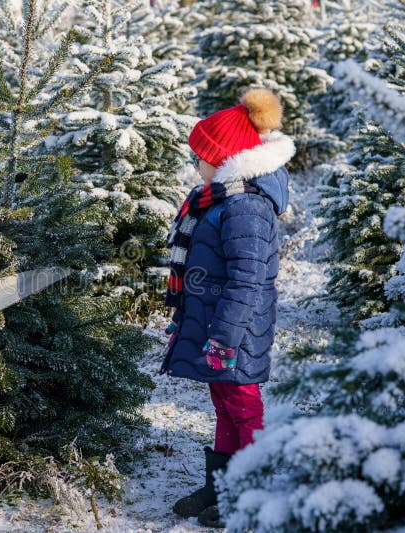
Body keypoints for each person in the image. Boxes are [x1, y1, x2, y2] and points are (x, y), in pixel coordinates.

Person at [161, 89, 294, 527]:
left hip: (234, 328)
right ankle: (222, 484)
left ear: (223, 159)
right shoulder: (219, 201)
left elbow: (249, 280)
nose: (194, 164)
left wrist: (225, 335)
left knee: (242, 402)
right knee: (222, 399)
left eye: (200, 156)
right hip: (215, 322)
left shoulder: (246, 207)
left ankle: (251, 491)